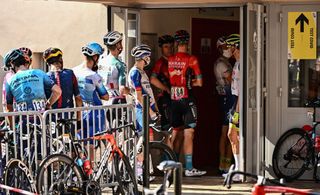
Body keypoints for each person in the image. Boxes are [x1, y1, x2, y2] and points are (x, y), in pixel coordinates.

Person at [168, 30, 206, 176]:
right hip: (187, 98)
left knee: (175, 133)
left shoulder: (170, 59)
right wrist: (191, 82)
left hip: (174, 100)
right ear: (188, 42)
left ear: (176, 43)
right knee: (189, 133)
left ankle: (172, 166)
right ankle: (189, 168)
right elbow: (200, 83)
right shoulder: (192, 59)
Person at [73, 42, 109, 161]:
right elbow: (105, 96)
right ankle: (91, 172)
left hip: (79, 111)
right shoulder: (93, 75)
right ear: (95, 57)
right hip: (94, 113)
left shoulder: (73, 71)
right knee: (92, 144)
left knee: (81, 142)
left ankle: (80, 170)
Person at [128, 44, 158, 180]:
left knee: (148, 139)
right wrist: (151, 112)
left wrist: (155, 109)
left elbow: (149, 92)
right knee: (143, 138)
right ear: (143, 57)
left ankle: (144, 168)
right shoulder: (134, 72)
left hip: (148, 108)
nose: (149, 59)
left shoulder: (142, 72)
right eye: (148, 56)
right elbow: (139, 95)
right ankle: (138, 170)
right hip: (141, 109)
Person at [4, 48, 61, 113]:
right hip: (42, 119)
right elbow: (57, 91)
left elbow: (9, 107)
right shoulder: (39, 73)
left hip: (23, 120)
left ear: (12, 64)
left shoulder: (9, 81)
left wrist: (11, 123)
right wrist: (48, 105)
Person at [213, 36, 235, 174]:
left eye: (229, 46)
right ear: (220, 49)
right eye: (225, 47)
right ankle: (224, 163)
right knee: (227, 132)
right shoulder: (221, 63)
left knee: (229, 132)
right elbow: (232, 79)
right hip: (227, 99)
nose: (228, 49)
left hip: (228, 97)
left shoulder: (227, 62)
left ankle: (226, 163)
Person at [43, 47, 83, 120]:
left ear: (48, 63)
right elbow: (78, 98)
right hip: (68, 117)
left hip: (51, 118)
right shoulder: (70, 74)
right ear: (61, 60)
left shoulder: (45, 77)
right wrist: (79, 120)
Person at [225, 34, 241, 182]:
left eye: (230, 46)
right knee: (233, 135)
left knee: (233, 135)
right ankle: (238, 167)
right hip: (234, 101)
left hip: (238, 103)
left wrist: (237, 110)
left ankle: (240, 169)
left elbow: (244, 90)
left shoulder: (242, 63)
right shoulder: (236, 63)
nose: (228, 49)